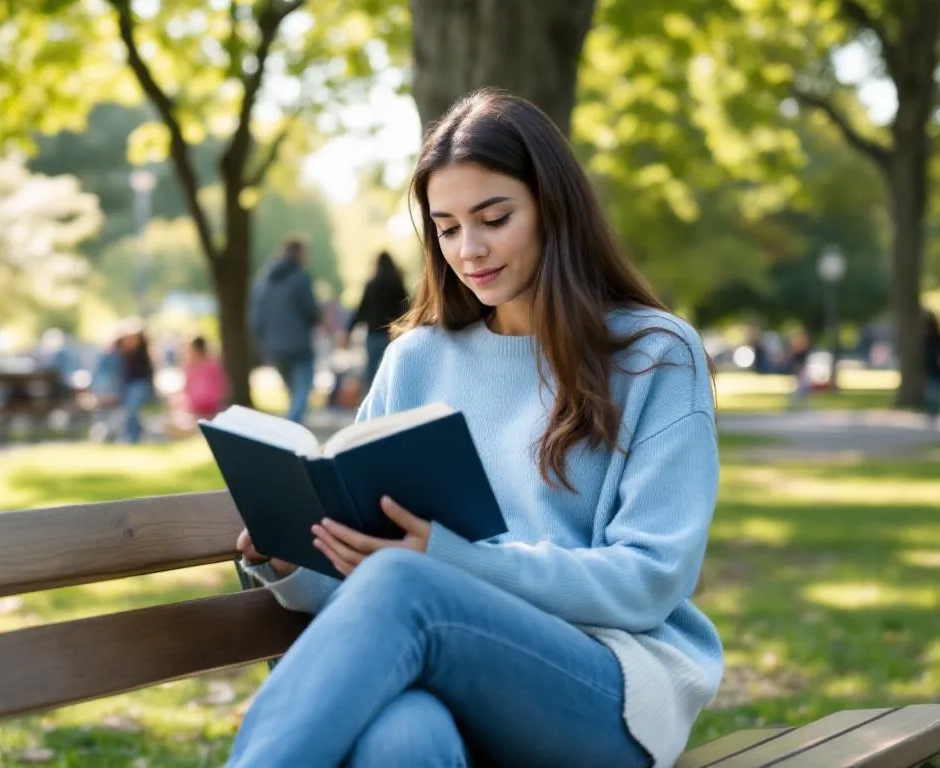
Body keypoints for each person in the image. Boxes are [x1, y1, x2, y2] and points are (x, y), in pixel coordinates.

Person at [229, 89, 721, 768]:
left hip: (608, 692)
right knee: (402, 737)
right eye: (448, 226)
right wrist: (288, 559)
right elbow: (362, 585)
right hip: (446, 674)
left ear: (554, 209)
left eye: (494, 218)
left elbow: (652, 580)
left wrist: (450, 562)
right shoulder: (416, 360)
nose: (470, 248)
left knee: (407, 583)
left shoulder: (654, 355)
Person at [250, 239, 321, 424]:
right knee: (303, 390)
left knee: (294, 393)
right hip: (298, 346)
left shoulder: (264, 282)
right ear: (298, 254)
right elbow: (311, 311)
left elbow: (256, 319)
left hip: (274, 348)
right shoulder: (300, 278)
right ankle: (291, 428)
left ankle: (294, 427)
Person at [345, 251, 410, 392]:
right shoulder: (397, 284)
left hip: (374, 334)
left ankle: (374, 404)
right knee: (394, 371)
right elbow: (406, 308)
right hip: (393, 334)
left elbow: (361, 310)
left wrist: (348, 330)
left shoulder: (372, 284)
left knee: (372, 372)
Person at [166, 336, 230, 436]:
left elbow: (221, 387)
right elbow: (187, 386)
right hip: (195, 407)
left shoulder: (212, 365)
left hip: (209, 407)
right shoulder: (189, 366)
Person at [117, 321, 156, 444]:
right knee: (129, 411)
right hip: (128, 385)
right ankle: (133, 435)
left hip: (140, 384)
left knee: (132, 409)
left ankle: (133, 437)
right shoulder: (123, 352)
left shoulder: (143, 354)